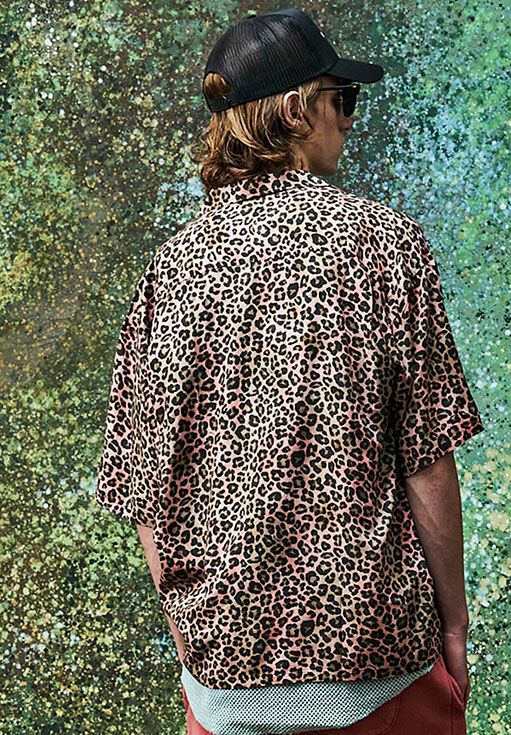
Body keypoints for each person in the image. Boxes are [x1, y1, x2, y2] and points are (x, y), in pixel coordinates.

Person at [95, 7, 484, 735]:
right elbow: (427, 458)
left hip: (224, 682)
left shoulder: (169, 272)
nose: (350, 119)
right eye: (344, 98)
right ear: (297, 111)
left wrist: (192, 642)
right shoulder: (385, 245)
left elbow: (145, 488)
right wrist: (455, 624)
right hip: (377, 667)